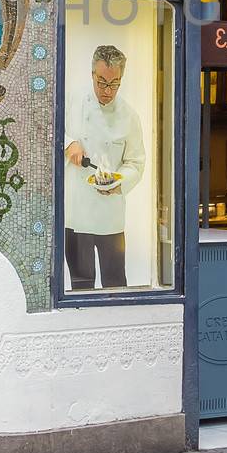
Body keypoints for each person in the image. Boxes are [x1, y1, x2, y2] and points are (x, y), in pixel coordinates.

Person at [62, 44, 146, 290]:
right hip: (76, 214)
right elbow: (49, 130)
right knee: (81, 284)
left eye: (114, 83)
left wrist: (118, 183)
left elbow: (136, 162)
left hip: (110, 215)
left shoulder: (129, 116)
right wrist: (69, 144)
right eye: (101, 82)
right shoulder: (73, 100)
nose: (107, 91)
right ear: (92, 74)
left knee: (115, 283)